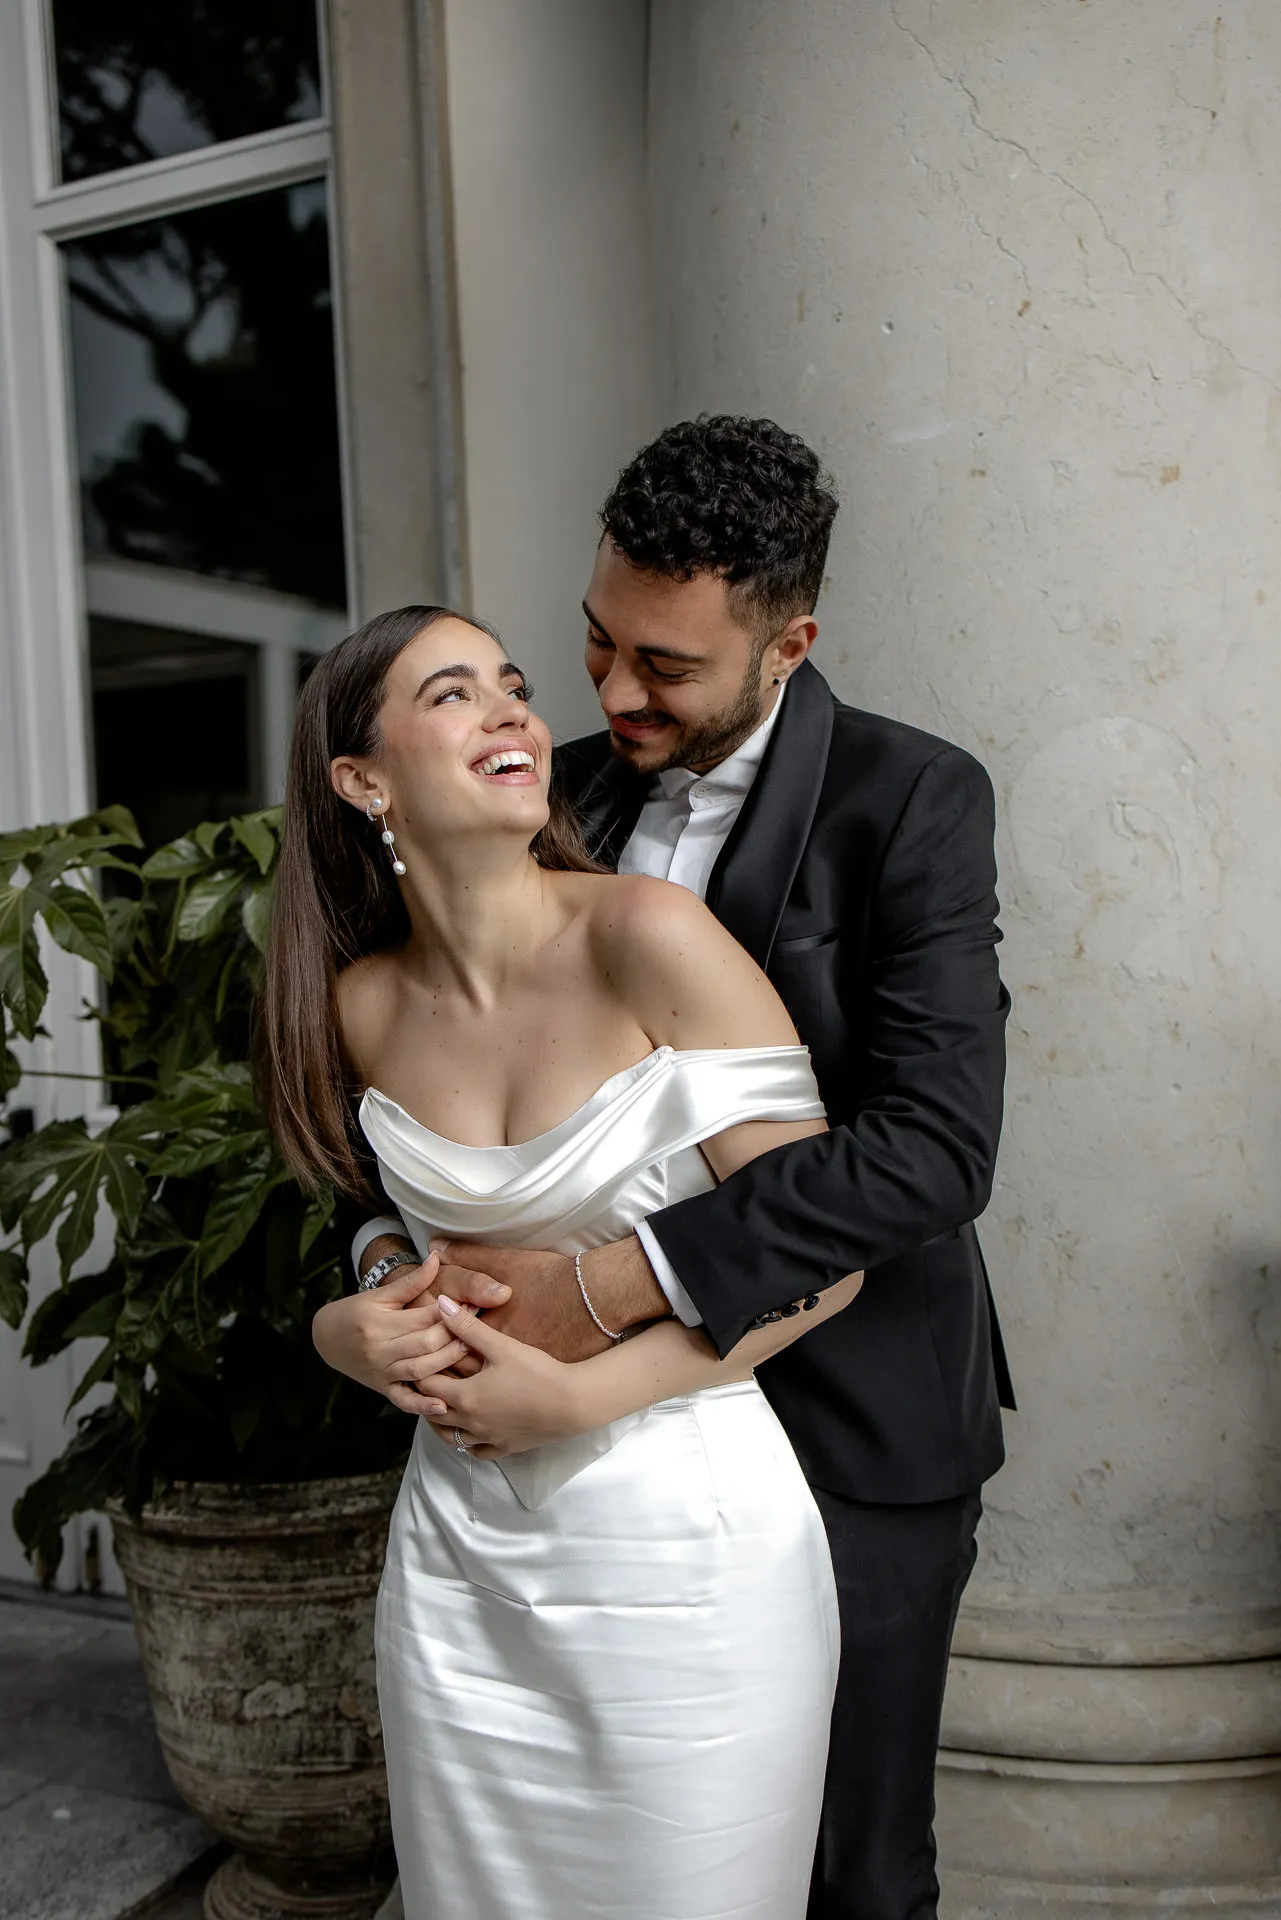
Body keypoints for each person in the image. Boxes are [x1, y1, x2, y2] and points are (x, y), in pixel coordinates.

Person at [350, 417, 1014, 1920]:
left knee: (855, 1876)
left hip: (852, 1422)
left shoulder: (913, 798)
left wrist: (611, 1286)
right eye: (596, 640)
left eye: (668, 665)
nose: (613, 693)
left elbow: (933, 1148)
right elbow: (402, 1112)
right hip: (567, 1486)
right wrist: (388, 1278)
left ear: (790, 644)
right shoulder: (546, 790)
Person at [257, 603, 864, 1920]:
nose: (515, 713)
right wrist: (353, 1320)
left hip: (689, 1563)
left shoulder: (649, 935)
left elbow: (826, 1255)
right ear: (361, 781)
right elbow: (376, 1226)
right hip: (458, 1568)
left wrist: (581, 1396)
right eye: (452, 694)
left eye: (515, 687)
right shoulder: (353, 1006)